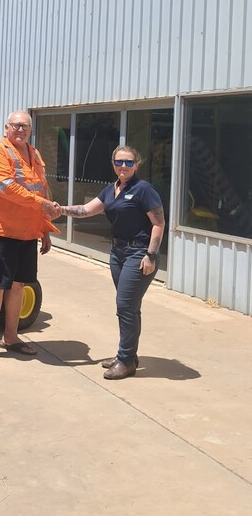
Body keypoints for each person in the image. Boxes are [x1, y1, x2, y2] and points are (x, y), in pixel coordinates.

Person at [59, 145, 165, 380]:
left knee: (125, 306)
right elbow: (86, 210)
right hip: (117, 253)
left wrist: (151, 255)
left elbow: (158, 223)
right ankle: (128, 356)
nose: (123, 166)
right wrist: (59, 209)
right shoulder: (111, 189)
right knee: (129, 307)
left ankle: (125, 361)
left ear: (137, 164)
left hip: (139, 253)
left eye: (128, 162)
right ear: (113, 164)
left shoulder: (143, 190)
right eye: (119, 162)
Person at [0, 111, 60, 366]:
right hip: (2, 229)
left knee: (18, 285)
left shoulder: (35, 155)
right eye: (16, 125)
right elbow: (7, 188)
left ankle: (11, 337)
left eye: (25, 126)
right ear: (6, 128)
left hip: (27, 232)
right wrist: (42, 204)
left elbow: (41, 189)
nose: (20, 130)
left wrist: (44, 229)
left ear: (31, 129)